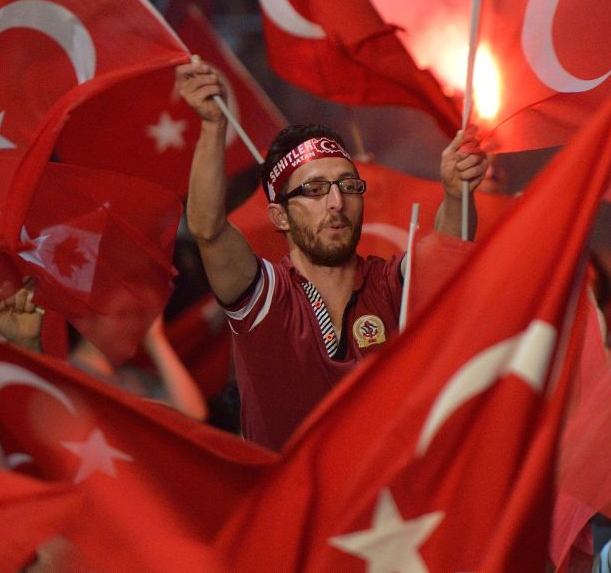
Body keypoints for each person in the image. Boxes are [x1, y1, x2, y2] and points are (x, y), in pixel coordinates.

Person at [177, 57, 488, 450]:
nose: (336, 202)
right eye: (315, 190)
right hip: (290, 509)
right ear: (280, 216)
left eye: (347, 186)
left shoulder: (389, 283)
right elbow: (208, 229)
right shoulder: (266, 295)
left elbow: (448, 252)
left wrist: (457, 193)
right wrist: (212, 126)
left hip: (383, 508)